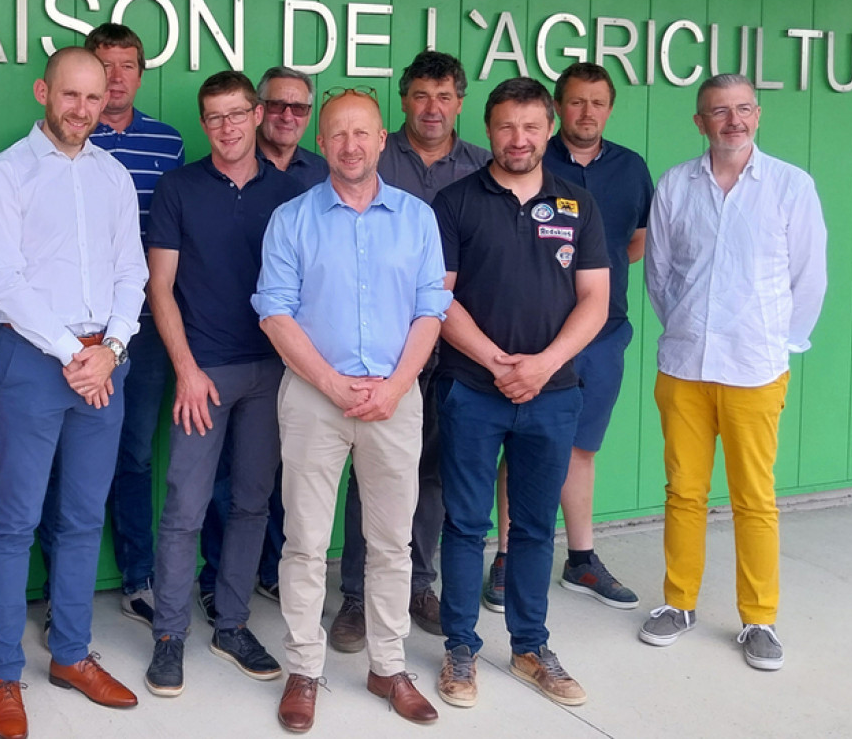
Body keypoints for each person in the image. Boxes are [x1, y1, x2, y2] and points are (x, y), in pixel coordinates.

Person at [254, 88, 450, 732]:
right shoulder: (292, 218)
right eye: (337, 134)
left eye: (362, 133)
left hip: (396, 397)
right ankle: (304, 669)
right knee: (306, 542)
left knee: (392, 543)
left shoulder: (418, 218)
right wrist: (332, 383)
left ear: (382, 139)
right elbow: (275, 312)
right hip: (315, 397)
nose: (350, 145)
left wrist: (395, 386)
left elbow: (431, 310)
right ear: (323, 142)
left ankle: (388, 665)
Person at [0, 47, 147, 739]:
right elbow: (2, 281)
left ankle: (71, 654)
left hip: (103, 365)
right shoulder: (5, 174)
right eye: (70, 96)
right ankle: (0, 673)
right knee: (14, 521)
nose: (82, 110)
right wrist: (73, 351)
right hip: (32, 360)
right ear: (45, 92)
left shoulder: (113, 175)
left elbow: (130, 273)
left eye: (94, 98)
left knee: (81, 517)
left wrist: (109, 350)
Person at [640, 73, 827, 671]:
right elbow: (660, 274)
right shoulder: (675, 185)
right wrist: (690, 327)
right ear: (700, 122)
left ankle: (759, 619)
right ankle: (678, 603)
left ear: (758, 114)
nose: (733, 121)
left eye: (743, 109)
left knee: (754, 498)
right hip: (685, 367)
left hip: (755, 368)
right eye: (718, 112)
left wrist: (777, 342)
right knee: (684, 493)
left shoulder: (790, 187)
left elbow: (809, 278)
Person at [432, 77, 608, 710]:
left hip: (553, 394)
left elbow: (595, 300)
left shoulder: (578, 204)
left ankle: (532, 647)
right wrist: (497, 361)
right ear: (488, 128)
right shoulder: (454, 202)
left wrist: (542, 366)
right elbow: (439, 298)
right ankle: (459, 648)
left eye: (532, 127)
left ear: (548, 128)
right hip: (472, 390)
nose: (519, 139)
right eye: (507, 126)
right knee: (464, 523)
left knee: (534, 528)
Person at [142, 71, 300, 697]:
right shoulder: (178, 187)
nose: (227, 127)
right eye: (214, 117)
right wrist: (185, 368)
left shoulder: (291, 194)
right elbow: (160, 287)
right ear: (203, 124)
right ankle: (169, 635)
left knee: (253, 503)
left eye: (237, 114)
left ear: (257, 115)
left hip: (271, 372)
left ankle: (231, 624)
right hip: (201, 373)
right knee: (184, 505)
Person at [332, 50, 491, 649]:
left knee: (432, 477)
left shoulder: (480, 166)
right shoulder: (373, 154)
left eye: (445, 96)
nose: (432, 107)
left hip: (456, 353)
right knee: (366, 477)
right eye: (421, 95)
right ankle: (354, 597)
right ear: (403, 101)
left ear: (459, 102)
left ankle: (417, 585)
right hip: (380, 358)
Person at [482, 62, 653, 613]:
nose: (586, 113)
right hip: (528, 339)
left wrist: (583, 284)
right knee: (520, 443)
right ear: (556, 111)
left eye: (597, 103)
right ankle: (506, 557)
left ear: (609, 108)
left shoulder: (631, 167)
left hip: (600, 334)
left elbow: (634, 242)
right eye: (576, 102)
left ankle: (581, 559)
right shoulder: (530, 157)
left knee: (581, 446)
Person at [198, 65, 324, 622]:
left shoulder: (314, 179)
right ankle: (217, 581)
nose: (288, 116)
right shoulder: (205, 181)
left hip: (292, 357)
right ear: (260, 111)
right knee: (219, 482)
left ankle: (261, 574)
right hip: (222, 354)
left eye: (300, 108)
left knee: (272, 477)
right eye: (280, 106)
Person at [85, 23, 185, 627]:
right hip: (74, 332)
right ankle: (57, 589)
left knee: (136, 458)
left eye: (127, 66)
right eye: (106, 65)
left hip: (144, 328)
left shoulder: (166, 142)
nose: (116, 77)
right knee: (71, 458)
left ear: (140, 74)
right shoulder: (62, 136)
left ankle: (136, 577)